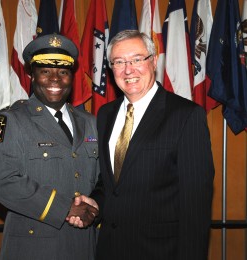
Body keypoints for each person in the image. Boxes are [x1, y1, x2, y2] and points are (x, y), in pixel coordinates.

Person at [70, 30, 215, 260]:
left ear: (154, 61)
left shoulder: (186, 116)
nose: (129, 70)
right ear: (111, 68)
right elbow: (111, 182)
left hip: (160, 252)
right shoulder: (105, 114)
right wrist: (95, 202)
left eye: (137, 59)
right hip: (109, 250)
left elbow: (195, 208)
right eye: (119, 62)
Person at [0, 34, 99, 260]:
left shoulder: (90, 122)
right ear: (32, 75)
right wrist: (65, 208)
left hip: (85, 245)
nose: (55, 79)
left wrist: (95, 207)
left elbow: (103, 177)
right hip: (35, 249)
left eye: (63, 72)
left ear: (71, 77)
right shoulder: (11, 120)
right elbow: (5, 181)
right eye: (45, 71)